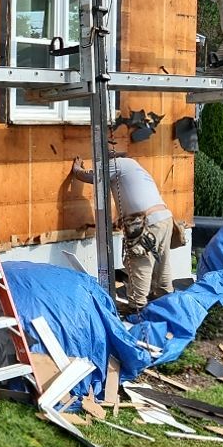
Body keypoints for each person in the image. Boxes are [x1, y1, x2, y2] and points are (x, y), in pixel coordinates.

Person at [70, 131, 174, 313]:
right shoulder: (134, 165)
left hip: (147, 223)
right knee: (161, 262)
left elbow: (93, 177)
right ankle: (167, 301)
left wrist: (77, 169)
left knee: (139, 262)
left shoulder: (116, 164)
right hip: (164, 218)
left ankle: (136, 309)